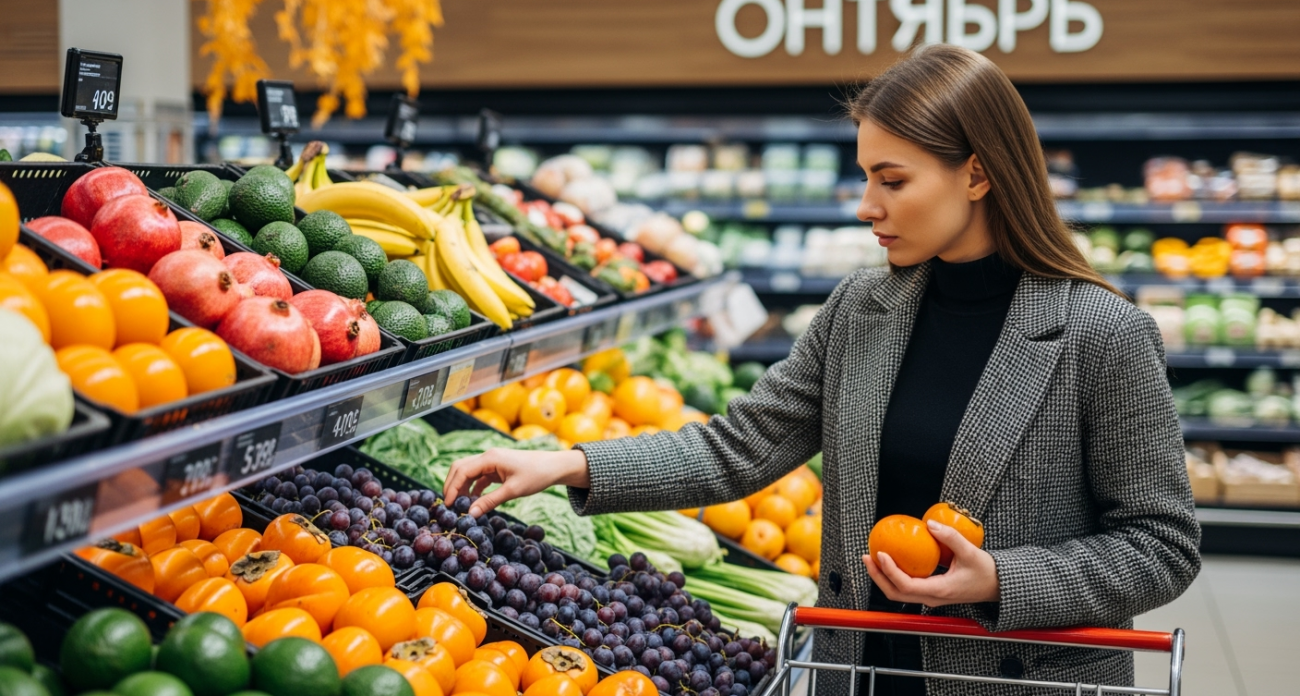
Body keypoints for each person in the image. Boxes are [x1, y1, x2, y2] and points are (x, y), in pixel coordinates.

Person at [444, 44, 1200, 695]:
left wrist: (1002, 579)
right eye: (866, 175)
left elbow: (1161, 544)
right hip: (861, 667)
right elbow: (736, 448)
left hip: (1014, 675)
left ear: (977, 175)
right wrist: (565, 463)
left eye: (893, 180)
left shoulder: (1101, 335)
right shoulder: (861, 310)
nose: (867, 205)